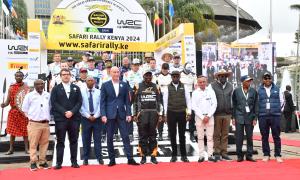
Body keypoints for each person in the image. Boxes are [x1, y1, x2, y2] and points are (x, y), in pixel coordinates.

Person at [100, 66, 139, 166]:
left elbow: (127, 101)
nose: (116, 74)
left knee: (125, 136)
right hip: (109, 114)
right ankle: (112, 159)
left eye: (118, 72)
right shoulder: (105, 85)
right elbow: (102, 102)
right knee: (109, 137)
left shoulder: (124, 84)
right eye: (114, 72)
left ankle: (130, 158)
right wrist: (103, 115)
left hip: (122, 114)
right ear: (110, 73)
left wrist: (129, 114)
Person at [51, 69, 83, 169]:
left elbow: (79, 102)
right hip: (61, 119)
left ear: (70, 76)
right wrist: (64, 112)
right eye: (64, 74)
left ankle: (74, 162)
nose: (66, 76)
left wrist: (72, 112)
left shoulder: (76, 88)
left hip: (74, 119)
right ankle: (59, 163)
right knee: (60, 141)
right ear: (60, 76)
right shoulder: (56, 89)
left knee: (74, 140)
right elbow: (54, 103)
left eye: (67, 74)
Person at [133, 70, 163, 164]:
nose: (148, 77)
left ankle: (153, 155)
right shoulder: (137, 86)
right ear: (143, 76)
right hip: (142, 114)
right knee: (142, 136)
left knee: (153, 135)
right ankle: (143, 155)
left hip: (154, 114)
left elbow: (159, 101)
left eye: (150, 75)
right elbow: (134, 102)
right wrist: (134, 114)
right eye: (147, 75)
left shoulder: (156, 86)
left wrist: (160, 114)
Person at [22, 79, 51, 171]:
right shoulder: (29, 96)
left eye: (42, 84)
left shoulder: (47, 95)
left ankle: (42, 162)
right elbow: (24, 109)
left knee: (44, 144)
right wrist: (32, 118)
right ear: (34, 85)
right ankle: (33, 162)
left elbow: (50, 107)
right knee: (33, 144)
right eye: (38, 84)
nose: (40, 86)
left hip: (45, 124)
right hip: (34, 123)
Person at [163, 70, 191, 163]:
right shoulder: (167, 87)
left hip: (182, 112)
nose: (175, 78)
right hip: (171, 113)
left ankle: (184, 155)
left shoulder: (185, 87)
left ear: (179, 77)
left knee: (182, 135)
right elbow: (165, 102)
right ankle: (174, 155)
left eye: (177, 76)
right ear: (171, 77)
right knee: (172, 135)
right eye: (174, 76)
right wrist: (165, 115)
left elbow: (188, 100)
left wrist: (189, 112)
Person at [1, 71, 29, 155]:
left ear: (23, 77)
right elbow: (7, 101)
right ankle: (11, 149)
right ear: (15, 77)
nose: (18, 77)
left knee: (25, 131)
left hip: (23, 113)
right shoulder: (11, 88)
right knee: (12, 132)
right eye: (17, 76)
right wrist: (4, 105)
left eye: (20, 76)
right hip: (13, 112)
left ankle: (27, 149)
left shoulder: (26, 88)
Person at [258, 72, 283, 163]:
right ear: (263, 80)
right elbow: (257, 103)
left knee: (276, 136)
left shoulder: (277, 89)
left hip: (275, 116)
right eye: (265, 78)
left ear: (271, 79)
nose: (267, 80)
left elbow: (282, 101)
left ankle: (278, 155)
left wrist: (278, 111)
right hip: (263, 116)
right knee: (264, 136)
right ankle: (266, 154)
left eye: (269, 78)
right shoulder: (259, 90)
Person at [232, 75, 258, 162]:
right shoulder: (236, 91)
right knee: (239, 137)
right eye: (247, 81)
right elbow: (234, 105)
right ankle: (239, 155)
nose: (249, 82)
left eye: (250, 81)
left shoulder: (254, 91)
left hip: (250, 117)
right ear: (242, 82)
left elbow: (256, 105)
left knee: (249, 137)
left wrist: (255, 118)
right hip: (239, 116)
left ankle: (249, 155)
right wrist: (233, 117)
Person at [192, 76, 217, 162]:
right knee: (200, 137)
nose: (202, 83)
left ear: (206, 82)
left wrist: (208, 116)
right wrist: (203, 117)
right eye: (200, 82)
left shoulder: (211, 91)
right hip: (199, 117)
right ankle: (201, 155)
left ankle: (210, 155)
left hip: (210, 117)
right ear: (197, 83)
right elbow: (194, 106)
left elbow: (214, 104)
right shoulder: (195, 93)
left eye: (203, 82)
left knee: (210, 137)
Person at [211, 69, 233, 161]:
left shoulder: (230, 86)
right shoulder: (212, 86)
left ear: (227, 77)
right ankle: (216, 152)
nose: (223, 77)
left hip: (227, 114)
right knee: (216, 134)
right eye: (221, 76)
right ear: (218, 77)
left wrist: (232, 112)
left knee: (225, 134)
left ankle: (224, 152)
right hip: (217, 114)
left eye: (224, 76)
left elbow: (232, 99)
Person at [80, 77, 103, 165]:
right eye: (88, 80)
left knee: (97, 139)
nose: (90, 82)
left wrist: (96, 115)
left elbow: (101, 105)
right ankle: (85, 158)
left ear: (94, 82)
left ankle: (99, 157)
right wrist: (88, 116)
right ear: (85, 82)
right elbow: (80, 106)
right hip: (86, 119)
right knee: (86, 139)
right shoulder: (81, 92)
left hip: (97, 119)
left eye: (91, 80)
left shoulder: (99, 92)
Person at [153, 63, 172, 141]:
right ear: (161, 68)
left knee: (169, 115)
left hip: (169, 96)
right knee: (160, 114)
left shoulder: (171, 75)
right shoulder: (156, 76)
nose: (165, 70)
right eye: (164, 69)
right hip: (160, 95)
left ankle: (170, 133)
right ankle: (160, 133)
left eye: (166, 69)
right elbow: (154, 86)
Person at [181, 63, 197, 142]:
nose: (188, 71)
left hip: (191, 96)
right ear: (184, 68)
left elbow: (196, 86)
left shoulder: (193, 75)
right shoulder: (180, 74)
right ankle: (182, 134)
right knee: (181, 116)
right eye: (187, 69)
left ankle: (192, 134)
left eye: (189, 69)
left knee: (191, 116)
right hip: (182, 96)